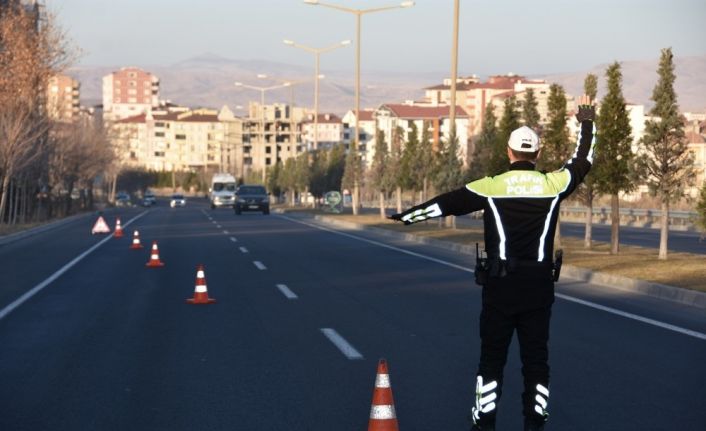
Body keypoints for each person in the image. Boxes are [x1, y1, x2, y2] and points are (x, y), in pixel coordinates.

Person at [389, 96, 596, 431]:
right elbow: (584, 158)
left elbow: (448, 203)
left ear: (509, 152)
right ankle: (534, 423)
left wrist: (408, 217)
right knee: (536, 363)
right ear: (538, 154)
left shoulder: (492, 186)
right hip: (539, 290)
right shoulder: (553, 184)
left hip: (500, 288)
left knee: (491, 362)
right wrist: (586, 119)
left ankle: (484, 425)